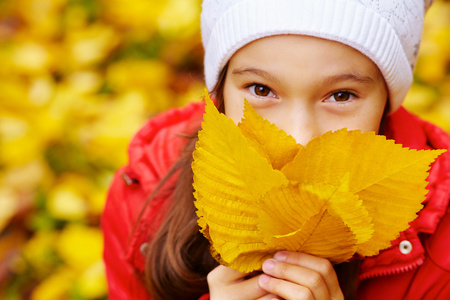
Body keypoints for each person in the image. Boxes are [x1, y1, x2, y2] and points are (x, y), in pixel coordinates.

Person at [101, 0, 450, 299]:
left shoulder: (442, 239)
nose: (298, 137)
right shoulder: (144, 198)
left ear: (386, 101)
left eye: (341, 95)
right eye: (261, 89)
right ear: (220, 92)